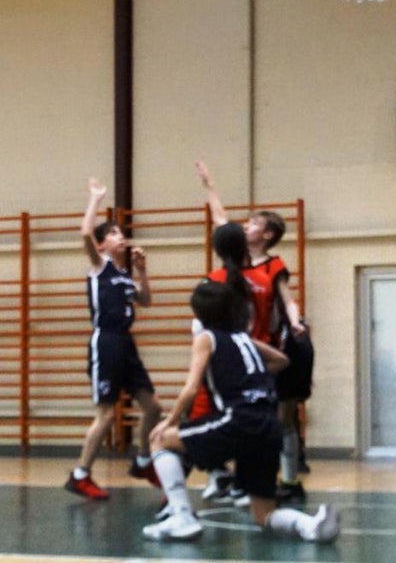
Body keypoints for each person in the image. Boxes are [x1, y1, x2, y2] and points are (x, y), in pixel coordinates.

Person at [141, 276, 340, 543]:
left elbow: (190, 389)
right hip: (268, 427)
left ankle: (181, 516)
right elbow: (281, 360)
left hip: (238, 419)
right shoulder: (243, 339)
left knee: (160, 440)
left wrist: (170, 421)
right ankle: (310, 525)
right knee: (263, 514)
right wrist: (246, 375)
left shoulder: (206, 338)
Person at [196, 161, 311, 505]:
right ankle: (231, 477)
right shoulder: (236, 258)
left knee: (276, 420)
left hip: (263, 349)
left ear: (268, 234)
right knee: (227, 414)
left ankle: (283, 480)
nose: (246, 226)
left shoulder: (274, 266)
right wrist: (209, 184)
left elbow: (287, 299)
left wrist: (295, 321)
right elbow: (220, 220)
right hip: (232, 348)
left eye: (254, 223)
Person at [65, 178, 163, 500]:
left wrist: (142, 271)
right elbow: (84, 233)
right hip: (105, 342)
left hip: (126, 343)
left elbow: (146, 301)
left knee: (153, 406)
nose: (121, 237)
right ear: (102, 244)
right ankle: (80, 474)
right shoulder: (99, 267)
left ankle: (143, 460)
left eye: (121, 233)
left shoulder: (123, 276)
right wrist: (95, 198)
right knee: (106, 414)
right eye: (115, 233)